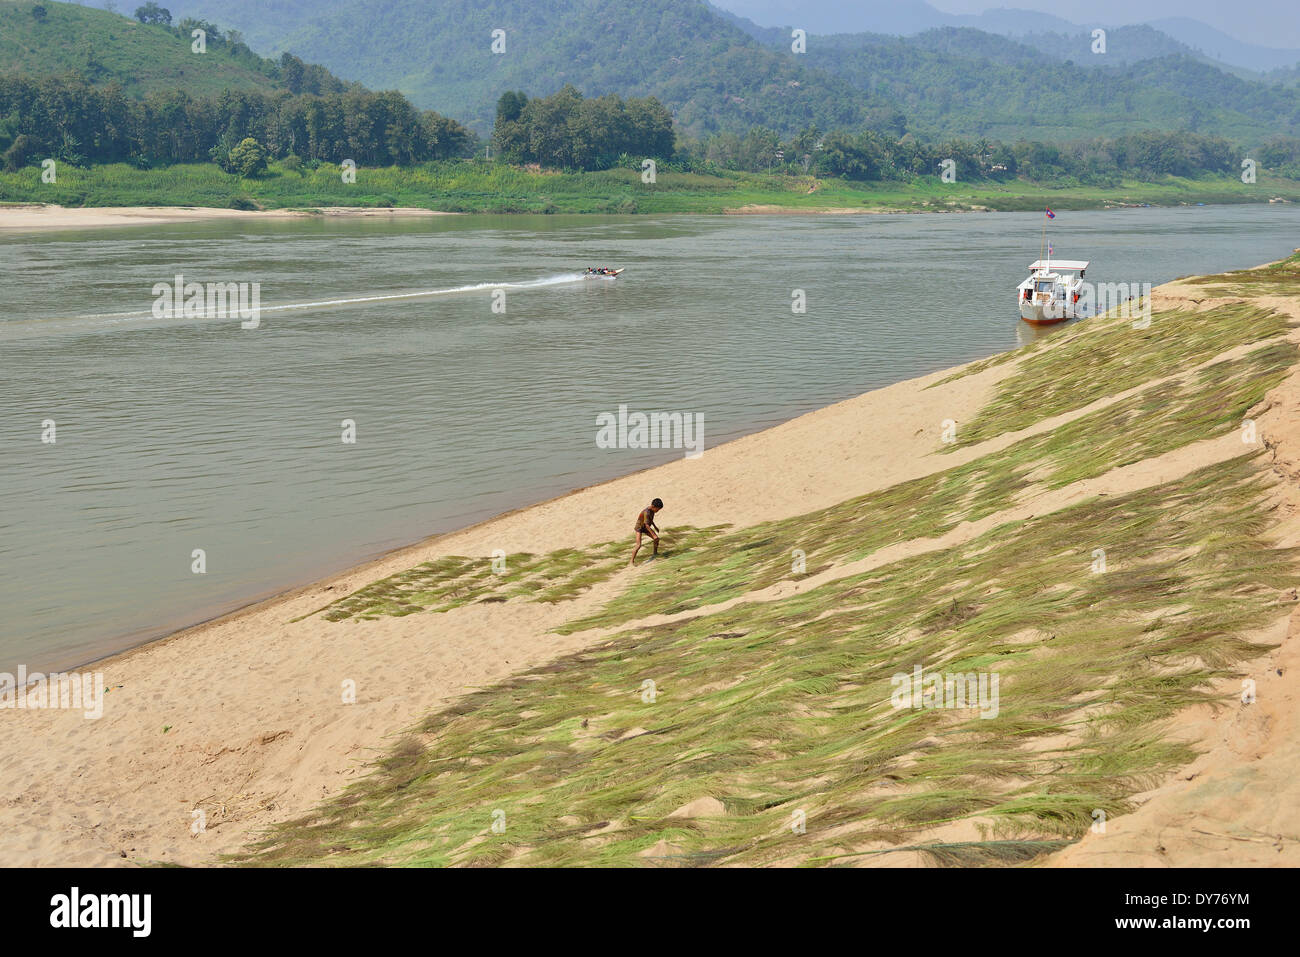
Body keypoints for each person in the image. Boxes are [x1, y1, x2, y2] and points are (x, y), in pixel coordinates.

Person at [630, 498, 664, 565]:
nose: (657, 511)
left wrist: (655, 526)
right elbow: (647, 525)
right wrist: (653, 535)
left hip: (645, 527)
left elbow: (650, 519)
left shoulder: (652, 511)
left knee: (657, 539)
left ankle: (655, 553)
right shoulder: (647, 512)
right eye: (657, 509)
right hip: (639, 527)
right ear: (653, 506)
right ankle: (631, 562)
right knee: (638, 545)